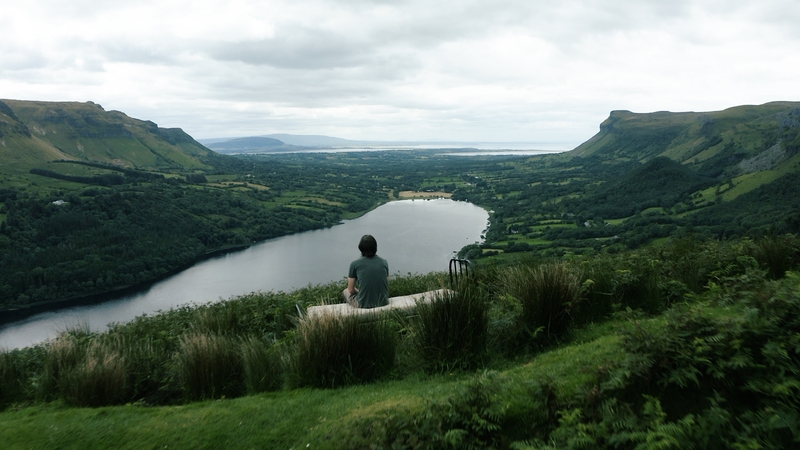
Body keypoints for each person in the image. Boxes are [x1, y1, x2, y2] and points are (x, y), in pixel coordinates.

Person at [343, 234, 389, 308]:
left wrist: (358, 292)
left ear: (360, 248)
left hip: (363, 304)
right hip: (383, 302)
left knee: (346, 291)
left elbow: (351, 289)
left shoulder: (355, 264)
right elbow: (386, 283)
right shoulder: (384, 262)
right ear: (375, 247)